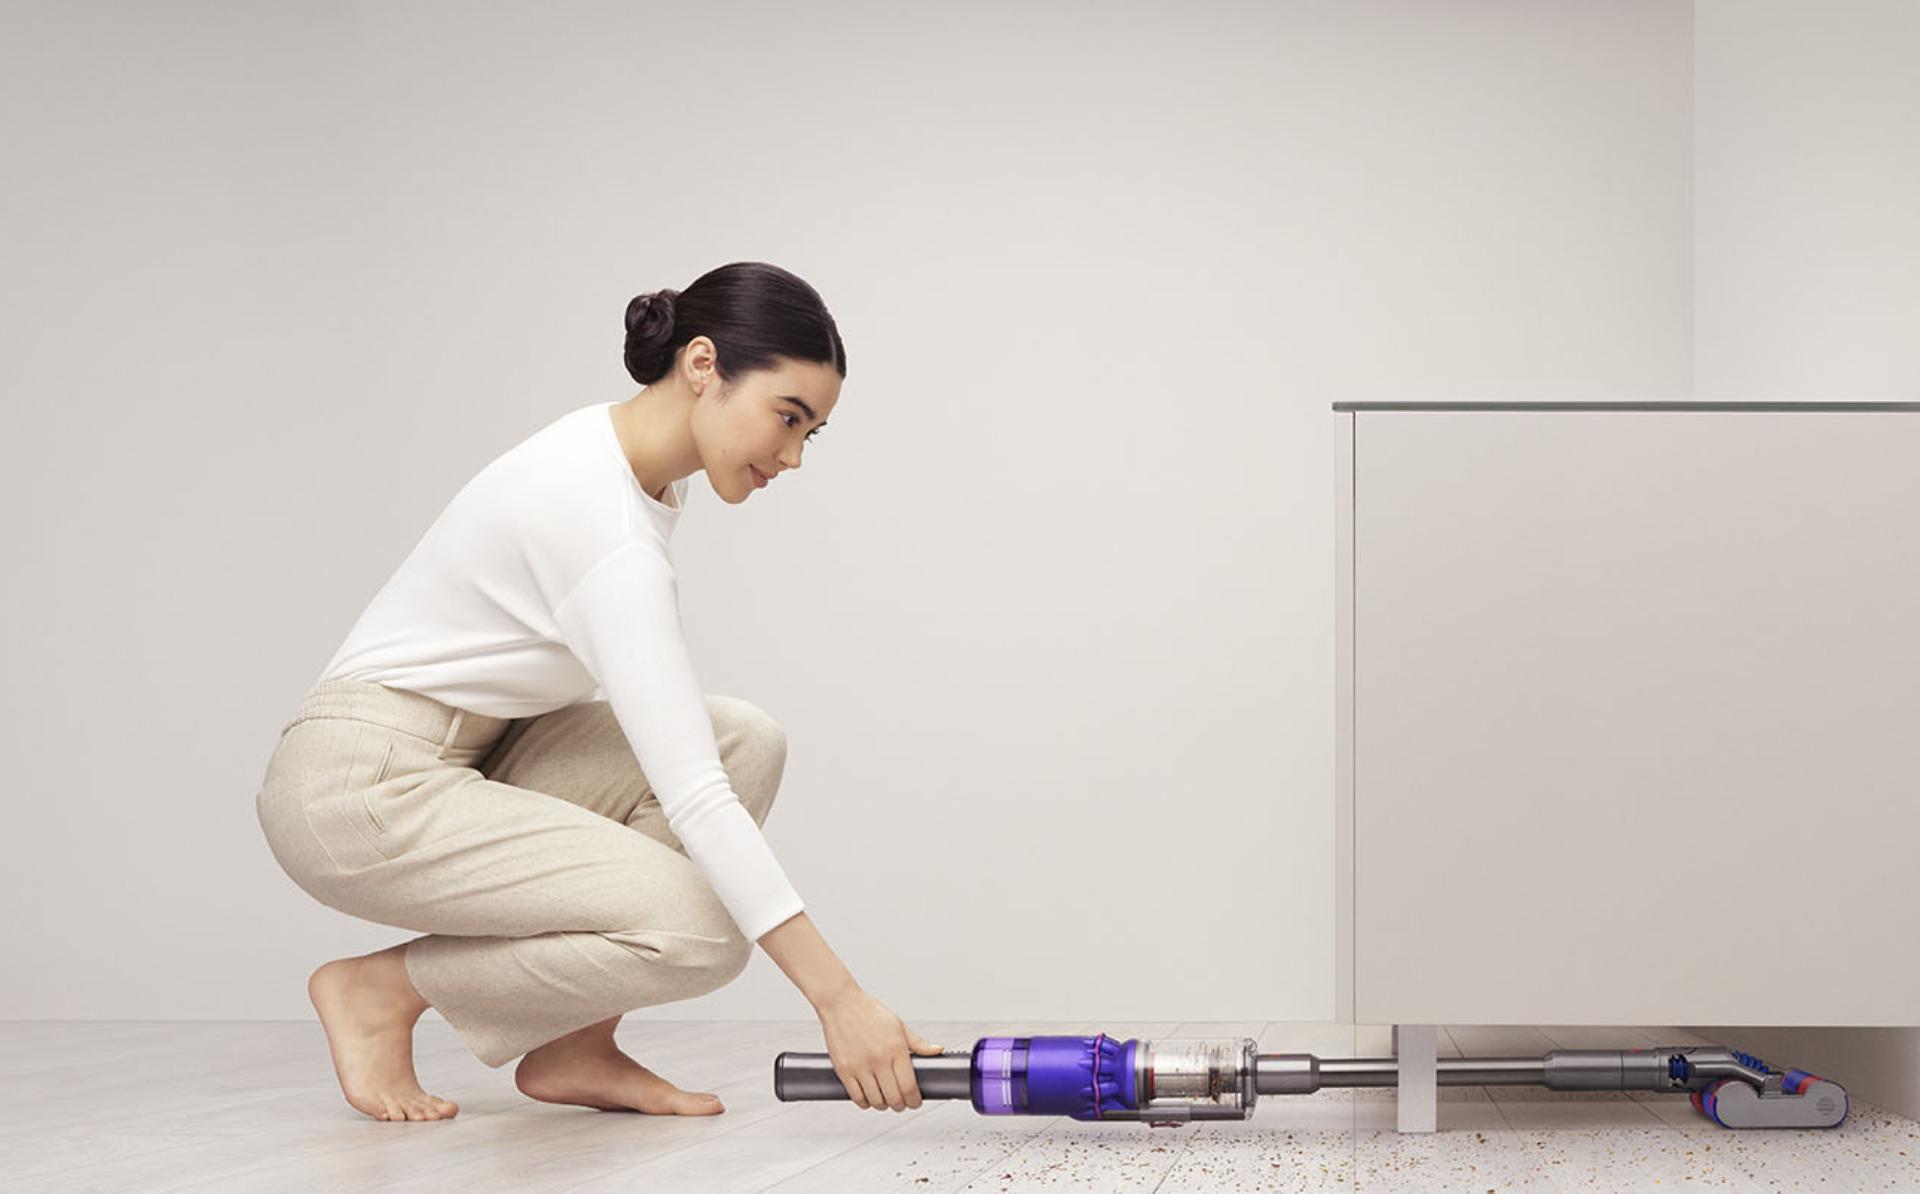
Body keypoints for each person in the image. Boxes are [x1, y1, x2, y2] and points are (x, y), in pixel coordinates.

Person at [255, 261, 941, 1123]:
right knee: (701, 930)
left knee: (745, 738)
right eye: (788, 416)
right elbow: (695, 797)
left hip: (476, 755)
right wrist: (841, 1000)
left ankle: (572, 1042)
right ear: (703, 365)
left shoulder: (627, 465)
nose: (794, 455)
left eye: (813, 432)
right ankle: (383, 990)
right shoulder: (601, 522)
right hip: (358, 788)